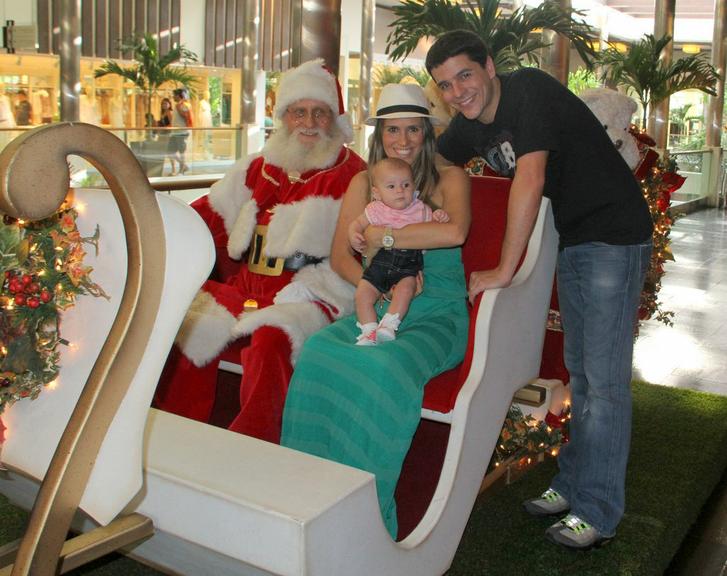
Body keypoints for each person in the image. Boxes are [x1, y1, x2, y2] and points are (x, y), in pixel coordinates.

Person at [426, 30, 653, 550]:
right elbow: (436, 160)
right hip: (576, 238)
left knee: (605, 383)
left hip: (614, 235)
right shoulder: (467, 126)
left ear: (488, 66)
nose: (459, 91)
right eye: (445, 85)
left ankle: (598, 510)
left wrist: (505, 269)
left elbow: (529, 179)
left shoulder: (527, 90)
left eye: (465, 75)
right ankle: (572, 484)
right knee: (583, 375)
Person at [280, 82, 471, 539]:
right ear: (379, 136)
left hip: (437, 311)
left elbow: (454, 234)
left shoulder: (450, 178)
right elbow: (342, 256)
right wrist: (377, 283)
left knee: (383, 365)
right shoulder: (363, 183)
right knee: (319, 353)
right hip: (378, 304)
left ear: (427, 132)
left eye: (412, 130)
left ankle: (364, 522)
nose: (403, 140)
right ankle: (306, 501)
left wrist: (382, 241)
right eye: (392, 131)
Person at [153, 59, 366, 443]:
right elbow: (207, 217)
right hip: (249, 288)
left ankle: (255, 446)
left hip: (314, 290)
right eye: (298, 112)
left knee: (272, 337)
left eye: (319, 112)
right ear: (283, 116)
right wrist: (157, 222)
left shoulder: (355, 175)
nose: (308, 122)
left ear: (335, 120)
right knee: (187, 314)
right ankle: (174, 435)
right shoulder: (256, 168)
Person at [350, 157, 450, 345]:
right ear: (377, 193)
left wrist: (438, 216)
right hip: (380, 262)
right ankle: (369, 330)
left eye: (406, 184)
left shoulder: (420, 209)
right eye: (391, 186)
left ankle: (389, 325)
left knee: (407, 288)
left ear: (414, 187)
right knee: (362, 294)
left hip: (408, 263)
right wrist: (354, 233)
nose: (400, 190)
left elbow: (434, 228)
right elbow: (357, 223)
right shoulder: (376, 209)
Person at [169, 88, 193, 174]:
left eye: (174, 95)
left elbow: (185, 116)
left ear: (178, 96)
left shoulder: (184, 105)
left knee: (181, 152)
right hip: (174, 132)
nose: (173, 97)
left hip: (181, 132)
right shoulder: (177, 105)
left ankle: (181, 170)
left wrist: (179, 108)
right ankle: (184, 165)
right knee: (170, 151)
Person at [156, 97, 176, 175]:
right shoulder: (163, 113)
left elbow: (172, 124)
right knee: (166, 152)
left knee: (170, 152)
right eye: (162, 104)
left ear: (169, 104)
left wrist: (164, 129)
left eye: (165, 103)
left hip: (168, 134)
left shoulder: (169, 112)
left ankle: (174, 169)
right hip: (163, 134)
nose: (163, 105)